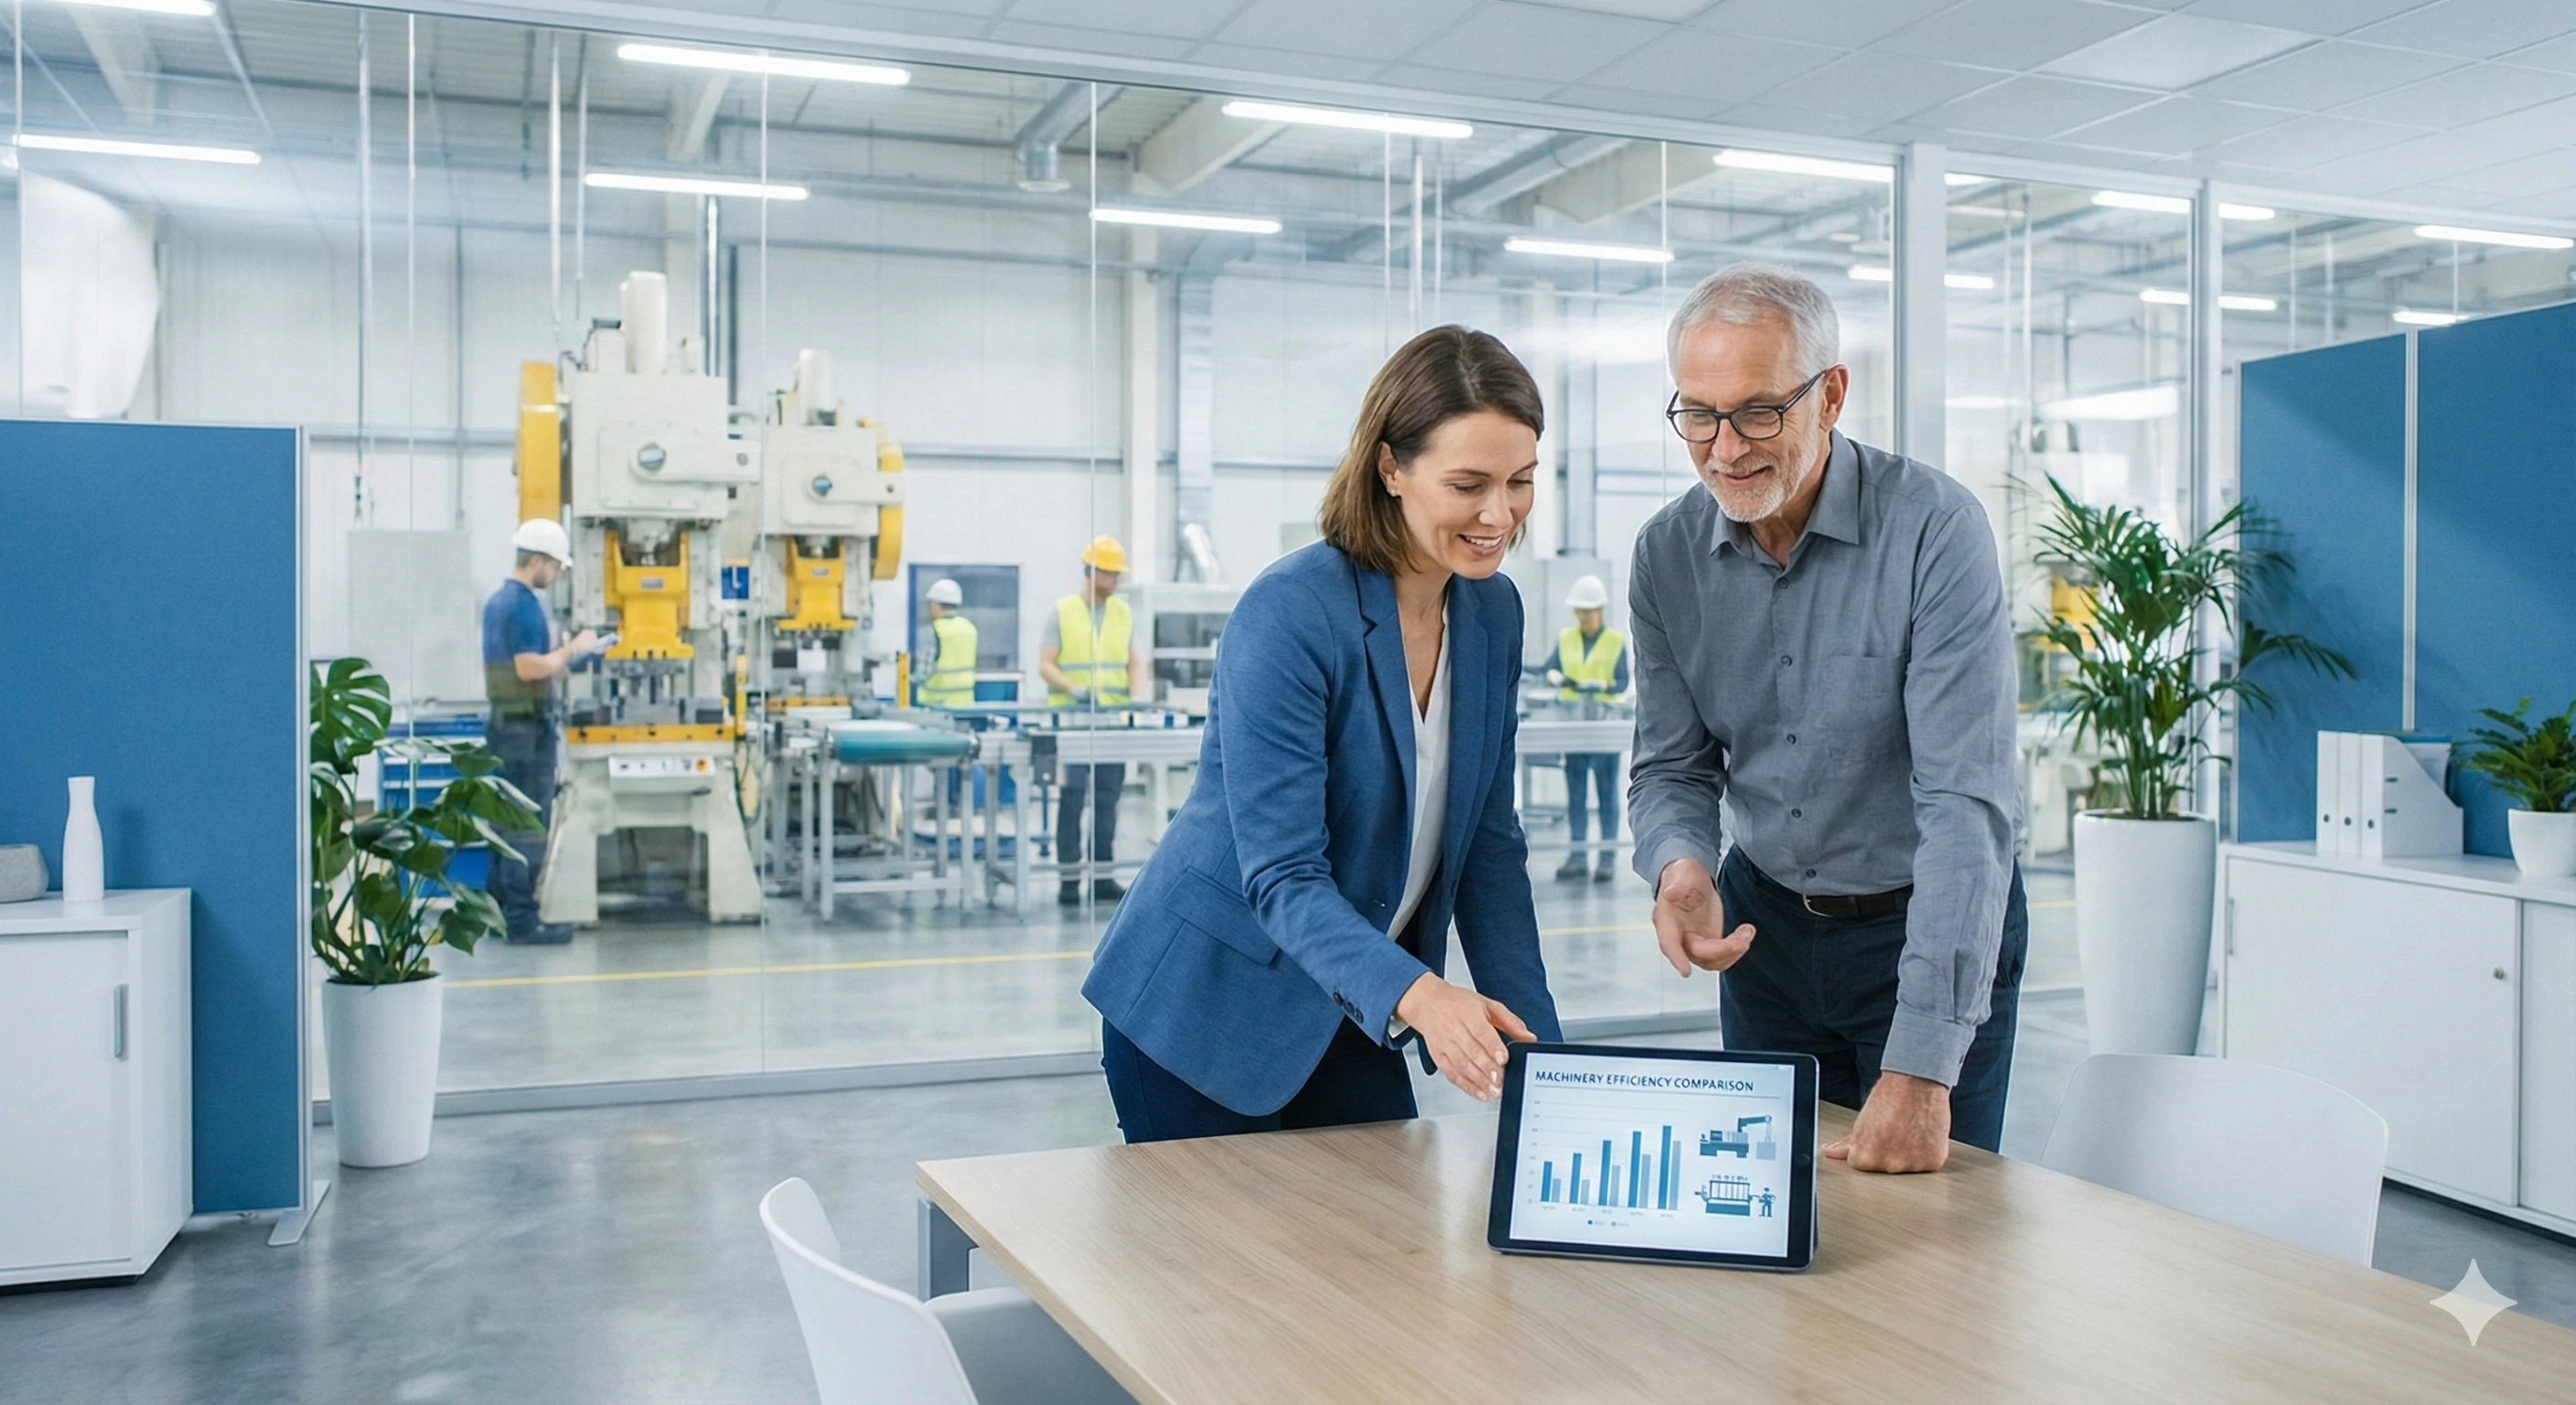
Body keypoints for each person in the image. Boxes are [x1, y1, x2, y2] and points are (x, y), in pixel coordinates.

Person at [1082, 326, 1563, 1141]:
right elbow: (1283, 874)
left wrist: (1551, 1066)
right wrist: (1424, 996)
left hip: (1353, 996)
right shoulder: (1293, 611)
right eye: (1468, 484)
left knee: (1381, 1219)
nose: (1500, 514)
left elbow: (1489, 847)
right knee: (1228, 1233)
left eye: (1520, 481)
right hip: (1203, 1010)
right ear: (1390, 469)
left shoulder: (1494, 613)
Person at [1627, 263, 2024, 1173]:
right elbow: (1672, 766)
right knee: (1768, 1209)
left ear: (1831, 394)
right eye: (1698, 415)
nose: (1725, 449)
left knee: (1929, 1226)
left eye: (1758, 412)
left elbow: (1964, 805)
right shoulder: (1666, 555)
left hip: (1923, 931)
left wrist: (1921, 1066)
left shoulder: (1934, 530)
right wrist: (1681, 865)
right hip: (1764, 937)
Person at [481, 519, 603, 945]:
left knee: (504, 822)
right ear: (537, 561)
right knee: (527, 825)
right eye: (555, 566)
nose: (556, 575)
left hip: (504, 726)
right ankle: (521, 921)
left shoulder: (498, 601)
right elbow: (528, 667)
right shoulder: (524, 606)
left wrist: (570, 662)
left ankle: (498, 912)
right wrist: (574, 649)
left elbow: (527, 668)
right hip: (525, 733)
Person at [1038, 537, 1150, 906]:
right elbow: (1045, 664)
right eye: (1110, 573)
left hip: (1111, 725)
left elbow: (1135, 662)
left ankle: (1102, 879)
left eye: (1118, 574)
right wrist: (1073, 689)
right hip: (1072, 723)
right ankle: (1069, 881)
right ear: (1091, 571)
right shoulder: (1062, 611)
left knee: (1107, 801)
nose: (1116, 580)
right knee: (1071, 799)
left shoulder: (1123, 612)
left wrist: (1135, 703)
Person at [1537, 574, 1628, 883]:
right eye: (1579, 611)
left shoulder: (1614, 642)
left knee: (1607, 796)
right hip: (1574, 728)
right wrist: (1554, 676)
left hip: (1604, 729)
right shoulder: (1567, 638)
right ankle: (1577, 856)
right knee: (1576, 795)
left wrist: (1603, 685)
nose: (1583, 617)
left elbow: (1623, 682)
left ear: (1600, 610)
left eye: (1587, 611)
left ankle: (1607, 858)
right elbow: (1550, 668)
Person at [915, 577, 979, 707]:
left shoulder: (931, 631)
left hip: (936, 704)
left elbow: (923, 672)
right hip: (965, 703)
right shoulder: (970, 629)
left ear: (936, 605)